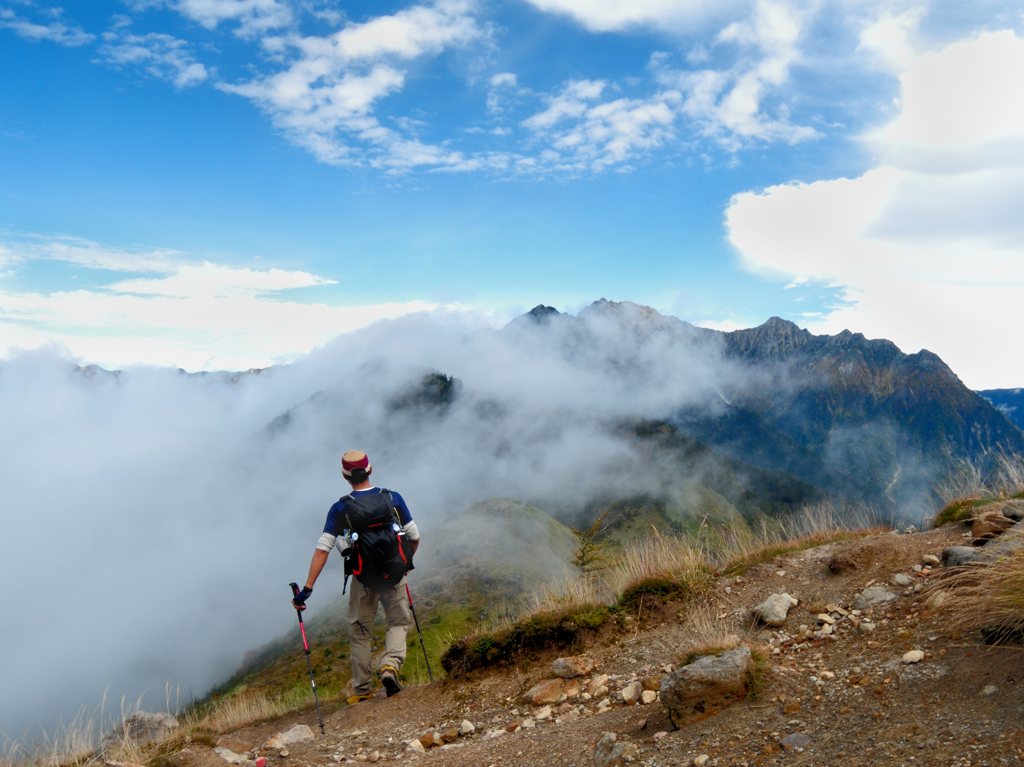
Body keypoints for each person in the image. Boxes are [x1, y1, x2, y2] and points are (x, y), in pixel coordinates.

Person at [292, 450, 420, 704]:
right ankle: (390, 667)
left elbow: (323, 549)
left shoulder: (341, 508)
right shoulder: (392, 498)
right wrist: (406, 564)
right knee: (397, 622)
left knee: (360, 633)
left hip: (363, 579)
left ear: (345, 475)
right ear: (370, 469)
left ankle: (363, 692)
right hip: (395, 575)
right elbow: (414, 536)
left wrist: (306, 590)